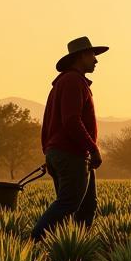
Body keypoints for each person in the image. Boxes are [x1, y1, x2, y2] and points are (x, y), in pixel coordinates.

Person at [31, 36, 107, 241]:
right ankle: (32, 242)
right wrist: (93, 148)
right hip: (72, 153)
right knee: (69, 203)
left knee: (87, 206)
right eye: (92, 55)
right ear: (80, 56)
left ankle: (76, 249)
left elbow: (49, 125)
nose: (96, 60)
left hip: (64, 152)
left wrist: (49, 152)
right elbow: (71, 121)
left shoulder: (63, 83)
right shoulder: (73, 81)